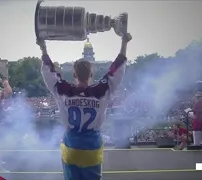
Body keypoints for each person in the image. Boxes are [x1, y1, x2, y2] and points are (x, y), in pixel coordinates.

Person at [37, 13, 131, 180]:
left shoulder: (64, 90)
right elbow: (117, 70)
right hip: (91, 147)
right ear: (92, 74)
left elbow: (48, 71)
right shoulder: (101, 91)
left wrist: (43, 48)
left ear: (74, 73)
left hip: (71, 145)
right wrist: (124, 42)